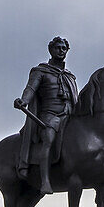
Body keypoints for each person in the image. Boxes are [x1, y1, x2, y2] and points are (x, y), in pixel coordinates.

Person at [15, 37, 78, 194]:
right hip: (49, 115)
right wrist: (23, 100)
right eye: (58, 48)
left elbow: (76, 99)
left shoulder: (70, 76)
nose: (61, 50)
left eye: (64, 48)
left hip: (69, 116)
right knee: (49, 137)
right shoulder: (41, 71)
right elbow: (30, 89)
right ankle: (45, 180)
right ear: (51, 50)